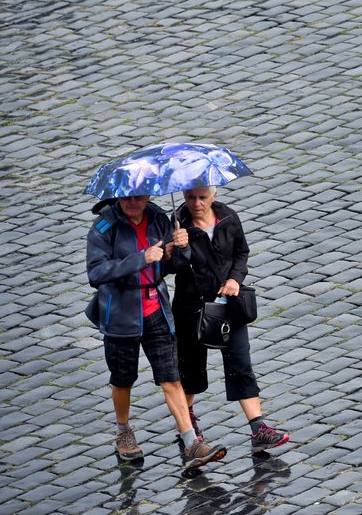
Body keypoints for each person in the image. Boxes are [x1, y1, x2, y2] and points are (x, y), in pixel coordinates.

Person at [86, 195, 227, 472]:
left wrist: (180, 249)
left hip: (157, 312)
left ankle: (191, 442)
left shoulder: (159, 218)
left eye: (139, 196)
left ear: (148, 195)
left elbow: (171, 267)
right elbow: (96, 272)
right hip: (121, 316)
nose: (133, 202)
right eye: (127, 197)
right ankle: (123, 431)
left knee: (171, 377)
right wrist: (141, 258)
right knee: (123, 379)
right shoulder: (103, 227)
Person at [173, 186, 289, 454]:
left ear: (213, 196)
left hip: (228, 306)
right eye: (190, 197)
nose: (196, 203)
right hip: (192, 309)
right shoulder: (178, 226)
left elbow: (241, 253)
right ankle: (188, 424)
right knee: (190, 370)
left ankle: (258, 427)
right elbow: (172, 269)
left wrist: (235, 279)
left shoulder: (228, 217)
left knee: (240, 364)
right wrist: (178, 248)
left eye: (202, 197)